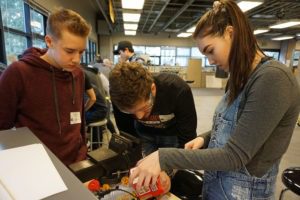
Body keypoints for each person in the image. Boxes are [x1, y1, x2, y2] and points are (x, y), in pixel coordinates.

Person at [128, 1, 300, 199]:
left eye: (210, 50)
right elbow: (241, 127)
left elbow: (235, 155)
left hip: (242, 192)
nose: (209, 61)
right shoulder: (239, 77)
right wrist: (206, 138)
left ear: (230, 33)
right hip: (217, 183)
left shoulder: (273, 79)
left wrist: (164, 157)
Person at [0, 8, 91, 166]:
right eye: (69, 51)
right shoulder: (18, 73)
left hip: (77, 163)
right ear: (49, 41)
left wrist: (83, 153)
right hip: (38, 168)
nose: (76, 59)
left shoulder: (78, 74)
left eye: (81, 52)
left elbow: (79, 123)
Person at [109, 62, 197, 156]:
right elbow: (127, 132)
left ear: (153, 89)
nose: (140, 117)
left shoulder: (177, 89)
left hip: (173, 135)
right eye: (130, 112)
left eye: (144, 108)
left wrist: (175, 164)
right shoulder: (118, 95)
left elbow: (188, 136)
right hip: (142, 134)